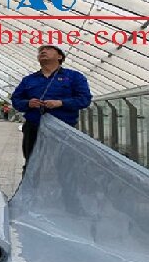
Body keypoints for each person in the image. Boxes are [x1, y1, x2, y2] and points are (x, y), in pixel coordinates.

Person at [11, 45, 92, 174]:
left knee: (65, 165)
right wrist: (28, 103)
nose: (43, 52)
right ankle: (31, 192)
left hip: (63, 129)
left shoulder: (74, 77)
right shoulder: (29, 80)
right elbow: (16, 100)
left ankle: (63, 192)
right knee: (32, 164)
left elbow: (85, 99)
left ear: (60, 56)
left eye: (48, 50)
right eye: (40, 51)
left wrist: (61, 103)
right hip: (34, 128)